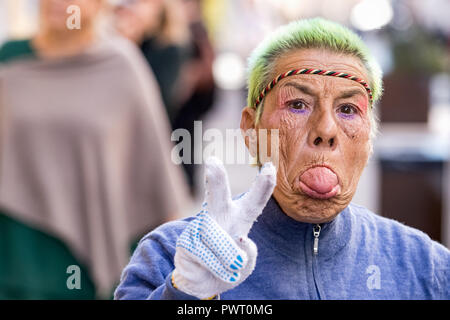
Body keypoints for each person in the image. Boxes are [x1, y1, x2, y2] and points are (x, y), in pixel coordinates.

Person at [114, 18, 450, 300]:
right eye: (298, 105)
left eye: (348, 109)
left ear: (369, 138)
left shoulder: (425, 268)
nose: (326, 130)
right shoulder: (166, 257)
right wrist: (185, 295)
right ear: (252, 130)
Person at [0, 0, 189, 298]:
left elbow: (155, 169)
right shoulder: (8, 60)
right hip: (14, 251)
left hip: (88, 254)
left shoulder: (122, 65)